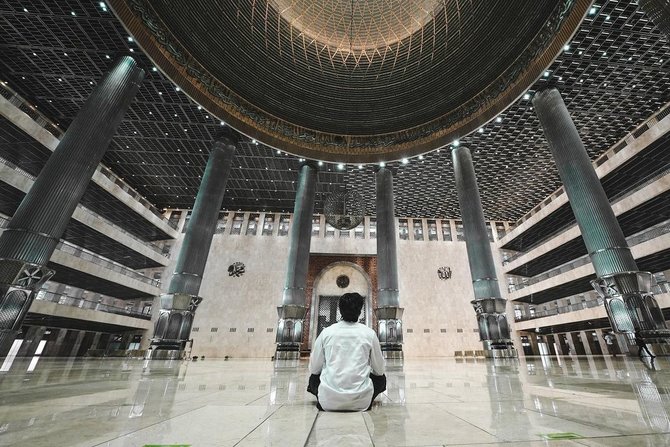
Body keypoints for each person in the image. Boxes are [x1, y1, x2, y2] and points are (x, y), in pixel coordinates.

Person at [307, 292, 386, 411]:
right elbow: (379, 370)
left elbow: (314, 369)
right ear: (360, 310)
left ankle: (330, 397)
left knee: (313, 378)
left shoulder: (326, 333)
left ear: (340, 310)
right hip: (362, 402)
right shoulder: (369, 334)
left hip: (327, 402)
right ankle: (357, 398)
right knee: (381, 379)